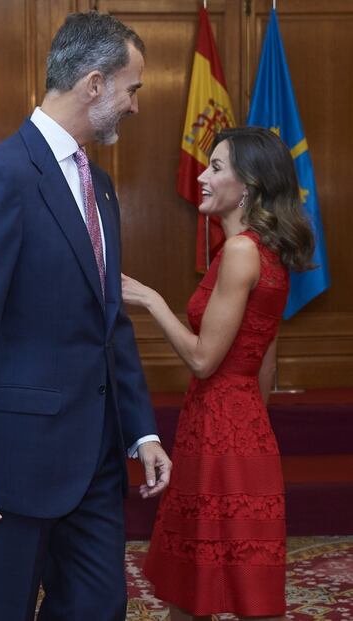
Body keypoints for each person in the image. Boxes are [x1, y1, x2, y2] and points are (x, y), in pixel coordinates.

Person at [0, 11, 171, 621]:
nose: (135, 106)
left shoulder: (100, 183)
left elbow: (108, 319)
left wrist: (141, 429)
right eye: (132, 89)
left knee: (99, 608)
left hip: (95, 458)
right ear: (94, 83)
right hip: (13, 466)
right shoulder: (2, 177)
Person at [122, 126, 315, 621]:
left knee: (200, 579)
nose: (202, 177)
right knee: (218, 578)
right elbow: (266, 360)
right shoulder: (268, 252)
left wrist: (151, 300)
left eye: (216, 167)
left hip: (219, 426)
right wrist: (249, 426)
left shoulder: (242, 251)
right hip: (240, 423)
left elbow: (205, 359)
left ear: (247, 185)